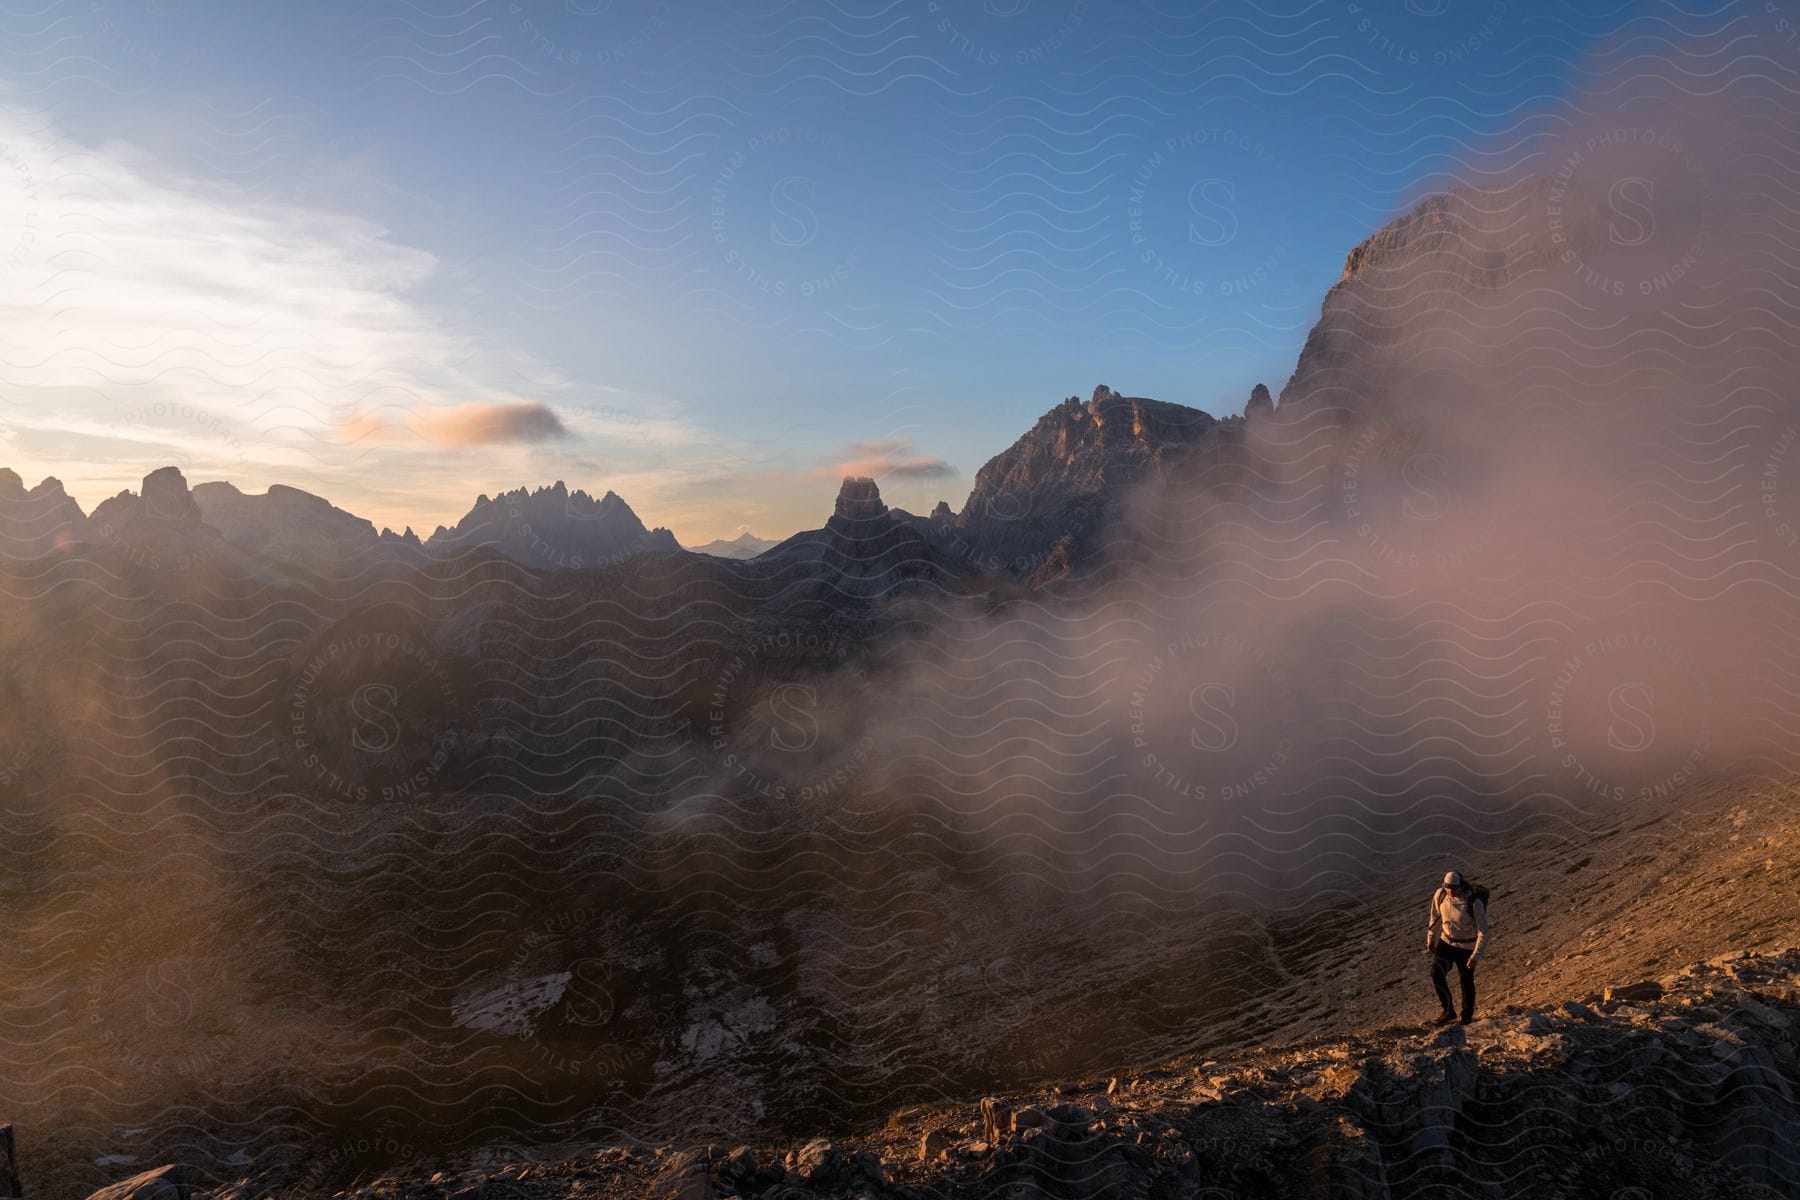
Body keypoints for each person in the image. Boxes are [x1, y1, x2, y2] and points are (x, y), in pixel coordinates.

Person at [1426, 870, 1488, 1025]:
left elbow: (1483, 931)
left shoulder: (1474, 903)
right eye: (1447, 888)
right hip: (1446, 942)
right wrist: (1431, 938)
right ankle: (1448, 1011)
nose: (1450, 891)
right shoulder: (1441, 895)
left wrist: (1475, 956)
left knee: (1466, 980)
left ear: (1461, 886)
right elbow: (1435, 917)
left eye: (1454, 888)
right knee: (1436, 974)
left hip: (1466, 947)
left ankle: (1466, 1016)